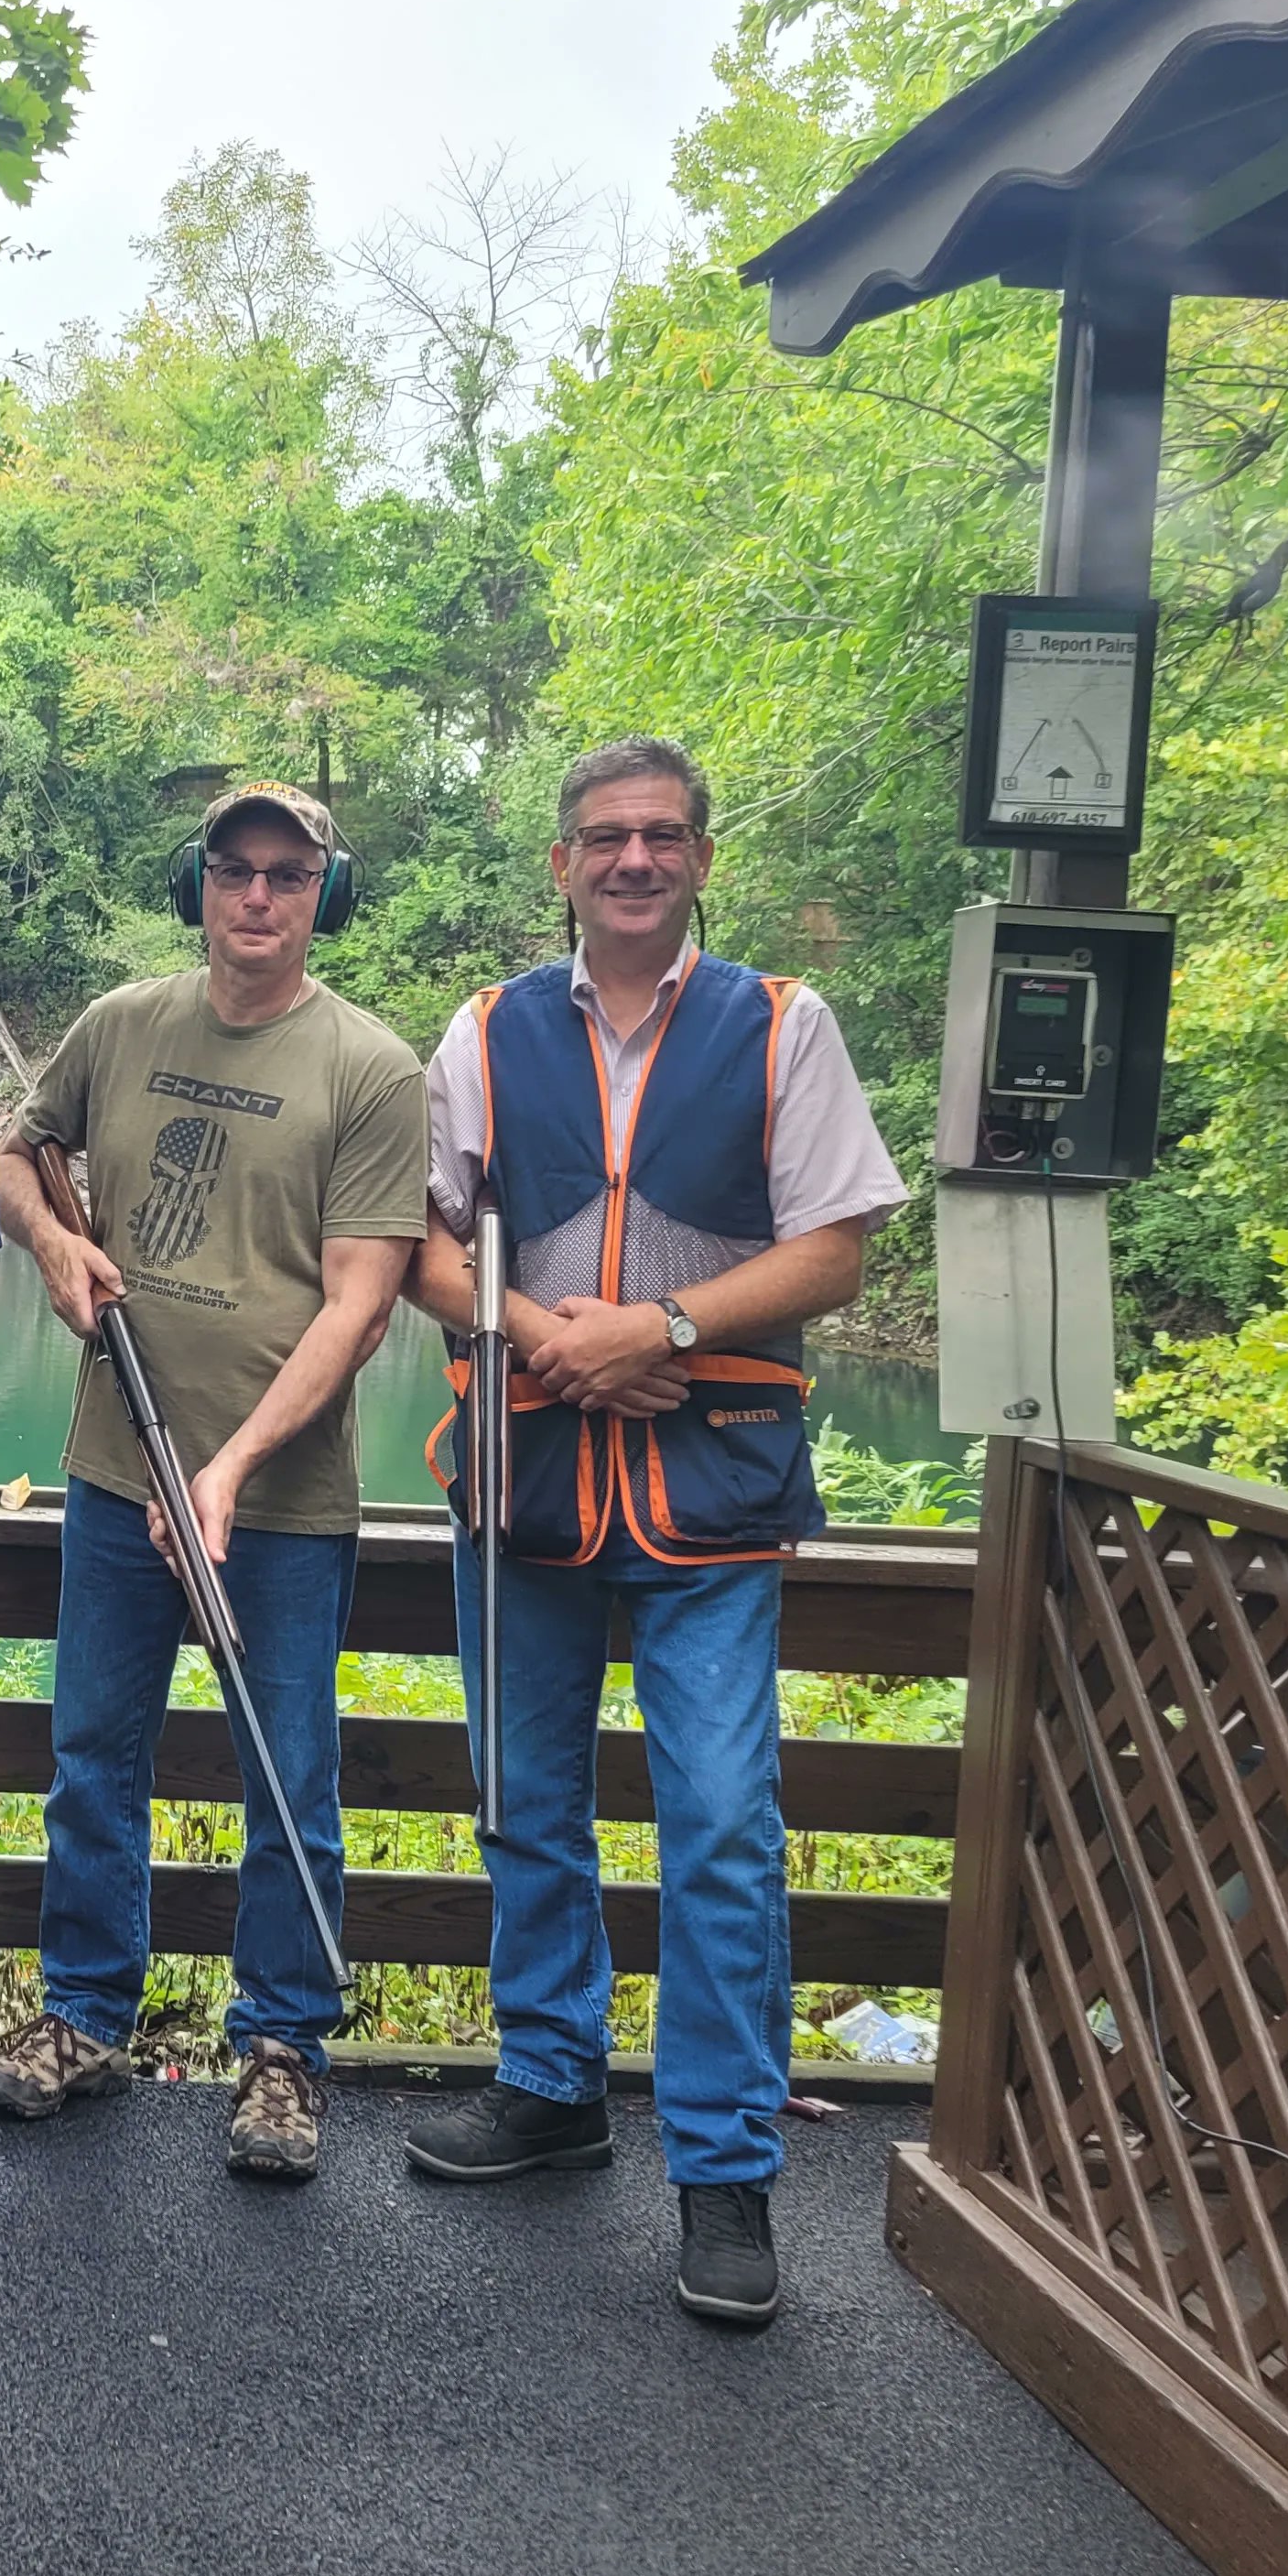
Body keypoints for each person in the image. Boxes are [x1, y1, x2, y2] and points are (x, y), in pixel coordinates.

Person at [402, 735, 906, 2326]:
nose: (634, 859)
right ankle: (552, 2086)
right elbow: (420, 1247)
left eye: (664, 836)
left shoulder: (783, 1025)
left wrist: (664, 1328)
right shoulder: (484, 1030)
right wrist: (553, 1337)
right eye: (606, 837)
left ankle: (723, 2166)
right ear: (562, 864)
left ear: (700, 859)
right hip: (528, 1478)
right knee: (526, 1806)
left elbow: (838, 1249)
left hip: (711, 1489)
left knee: (722, 1830)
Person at [0, 782, 426, 2180]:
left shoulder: (371, 1069)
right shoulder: (121, 1026)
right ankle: (84, 2018)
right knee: (91, 1758)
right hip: (117, 1474)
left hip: (279, 1504)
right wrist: (54, 1246)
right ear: (199, 884)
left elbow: (360, 1305)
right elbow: (15, 1155)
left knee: (289, 1778)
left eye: (290, 874)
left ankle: (282, 2052)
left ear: (326, 895)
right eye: (236, 869)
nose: (259, 896)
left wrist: (228, 1467)